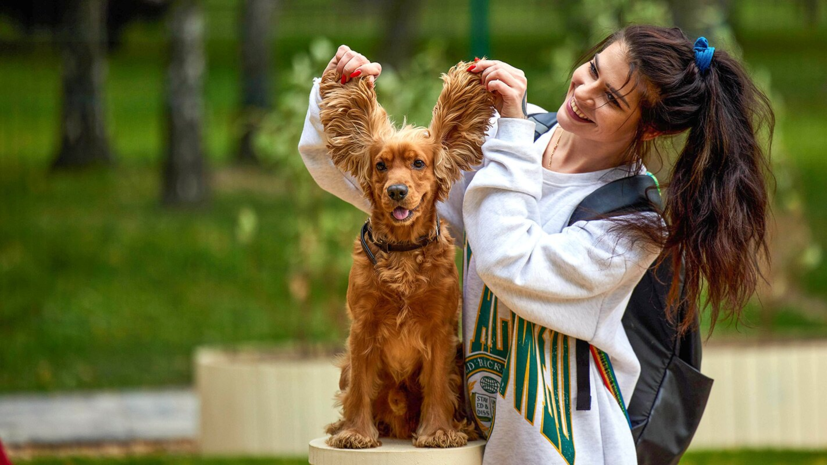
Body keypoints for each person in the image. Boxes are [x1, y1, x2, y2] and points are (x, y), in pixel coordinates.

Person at [298, 25, 773, 465]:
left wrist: (511, 133)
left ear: (649, 129)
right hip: (486, 436)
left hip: (566, 450)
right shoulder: (522, 138)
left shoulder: (629, 223)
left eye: (610, 97)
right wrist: (337, 96)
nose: (584, 92)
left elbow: (511, 264)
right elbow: (380, 186)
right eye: (592, 70)